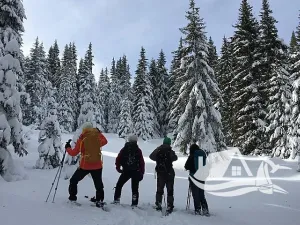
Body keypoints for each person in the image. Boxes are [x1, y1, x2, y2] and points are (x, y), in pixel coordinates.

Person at [65, 122, 108, 208]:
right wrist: (99, 133)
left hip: (85, 166)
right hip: (97, 165)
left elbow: (74, 153)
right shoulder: (97, 136)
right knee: (98, 183)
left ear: (84, 129)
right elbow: (105, 141)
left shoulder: (82, 138)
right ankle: (99, 200)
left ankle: (72, 198)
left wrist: (68, 148)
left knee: (74, 180)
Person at [113, 134, 145, 207]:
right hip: (136, 171)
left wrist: (118, 168)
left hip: (126, 171)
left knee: (119, 185)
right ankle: (134, 203)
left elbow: (118, 159)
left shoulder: (124, 149)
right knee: (135, 188)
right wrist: (142, 172)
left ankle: (116, 200)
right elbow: (141, 162)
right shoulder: (138, 150)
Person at [149, 137, 178, 214]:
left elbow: (151, 156)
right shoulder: (170, 151)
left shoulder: (158, 150)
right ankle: (169, 206)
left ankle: (158, 204)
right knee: (170, 190)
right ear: (169, 143)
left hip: (160, 173)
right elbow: (175, 158)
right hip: (169, 173)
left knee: (159, 190)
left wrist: (158, 149)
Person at [184, 143, 210, 216]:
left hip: (194, 177)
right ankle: (205, 210)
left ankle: (197, 210)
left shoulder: (192, 156)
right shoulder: (203, 154)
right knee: (201, 194)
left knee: (196, 195)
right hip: (202, 177)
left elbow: (186, 166)